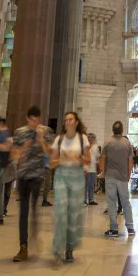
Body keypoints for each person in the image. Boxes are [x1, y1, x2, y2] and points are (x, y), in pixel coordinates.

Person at [11, 106, 53, 262]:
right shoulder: (20, 132)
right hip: (22, 175)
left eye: (37, 120)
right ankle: (23, 246)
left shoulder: (46, 131)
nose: (35, 123)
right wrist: (24, 148)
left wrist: (41, 140)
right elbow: (14, 155)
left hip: (37, 175)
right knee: (23, 211)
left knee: (34, 208)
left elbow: (50, 152)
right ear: (27, 119)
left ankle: (35, 235)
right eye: (32, 120)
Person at [50, 111, 90, 263]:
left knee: (73, 214)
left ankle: (69, 248)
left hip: (77, 177)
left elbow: (88, 160)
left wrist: (78, 157)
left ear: (76, 122)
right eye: (66, 119)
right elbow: (51, 163)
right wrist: (60, 159)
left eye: (70, 119)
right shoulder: (59, 140)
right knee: (60, 211)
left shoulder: (82, 139)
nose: (67, 122)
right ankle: (58, 247)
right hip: (61, 176)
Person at [101, 121, 135, 237]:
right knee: (126, 202)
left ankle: (114, 229)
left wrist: (103, 172)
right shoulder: (127, 143)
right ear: (122, 130)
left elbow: (102, 159)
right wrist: (128, 174)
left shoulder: (107, 142)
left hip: (110, 176)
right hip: (123, 177)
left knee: (111, 202)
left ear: (112, 130)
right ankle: (130, 228)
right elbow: (130, 160)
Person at [84, 131, 100, 205]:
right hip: (86, 169)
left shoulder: (96, 146)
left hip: (93, 169)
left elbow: (97, 157)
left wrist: (98, 166)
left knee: (91, 185)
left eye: (92, 138)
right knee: (85, 185)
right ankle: (84, 200)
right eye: (89, 138)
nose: (91, 139)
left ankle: (91, 200)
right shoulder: (84, 146)